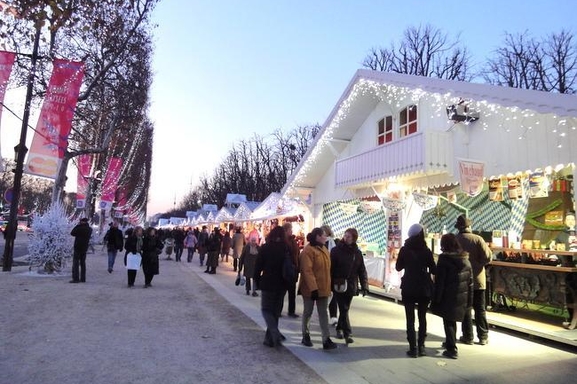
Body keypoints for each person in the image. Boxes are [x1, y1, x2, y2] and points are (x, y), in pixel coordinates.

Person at [396, 223, 436, 357]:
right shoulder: (426, 250)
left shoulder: (404, 249)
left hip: (408, 286)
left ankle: (412, 348)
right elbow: (434, 269)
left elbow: (398, 267)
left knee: (410, 318)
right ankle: (422, 346)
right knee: (422, 317)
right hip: (424, 287)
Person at [431, 233, 473, 360]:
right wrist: (469, 300)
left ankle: (452, 348)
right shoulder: (465, 259)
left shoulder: (444, 260)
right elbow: (470, 282)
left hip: (448, 294)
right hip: (462, 295)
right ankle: (450, 341)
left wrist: (436, 298)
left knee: (448, 321)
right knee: (452, 320)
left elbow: (440, 281)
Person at [455, 214, 492, 345]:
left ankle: (468, 336)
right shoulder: (478, 239)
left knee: (466, 309)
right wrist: (477, 264)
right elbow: (488, 257)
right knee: (480, 309)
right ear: (469, 226)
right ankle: (483, 336)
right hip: (478, 280)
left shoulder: (455, 240)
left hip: (462, 281)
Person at [299, 227, 337, 350]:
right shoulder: (308, 251)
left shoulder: (324, 249)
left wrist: (329, 285)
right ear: (317, 236)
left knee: (323, 314)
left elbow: (327, 270)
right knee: (308, 312)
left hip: (323, 287)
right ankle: (306, 335)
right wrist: (313, 288)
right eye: (324, 235)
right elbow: (307, 271)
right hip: (310, 289)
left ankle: (326, 339)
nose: (326, 237)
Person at [330, 228, 369, 344]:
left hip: (351, 285)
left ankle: (339, 328)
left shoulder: (357, 253)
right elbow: (331, 268)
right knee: (344, 308)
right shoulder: (336, 250)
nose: (346, 238)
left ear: (354, 239)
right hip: (339, 284)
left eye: (349, 236)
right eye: (345, 235)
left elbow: (362, 270)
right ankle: (348, 333)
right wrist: (329, 283)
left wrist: (365, 285)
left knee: (345, 308)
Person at [254, 226, 290, 347]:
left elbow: (258, 266)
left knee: (266, 310)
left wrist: (257, 281)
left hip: (268, 282)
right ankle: (269, 339)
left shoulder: (265, 248)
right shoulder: (286, 248)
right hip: (282, 284)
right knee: (275, 312)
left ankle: (274, 333)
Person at [321, 224, 339, 326]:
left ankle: (333, 316)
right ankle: (324, 313)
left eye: (323, 232)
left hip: (331, 272)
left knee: (333, 295)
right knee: (324, 294)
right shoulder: (320, 243)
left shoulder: (332, 243)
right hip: (323, 272)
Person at [283, 222, 300, 317]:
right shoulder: (283, 241)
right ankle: (278, 310)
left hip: (293, 268)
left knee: (292, 292)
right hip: (286, 269)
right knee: (282, 292)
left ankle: (291, 311)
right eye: (290, 229)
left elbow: (296, 254)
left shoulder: (293, 241)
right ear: (286, 230)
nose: (292, 231)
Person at [70, 218, 92, 283]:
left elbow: (72, 233)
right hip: (84, 247)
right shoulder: (89, 229)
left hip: (77, 247)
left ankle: (76, 278)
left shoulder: (79, 228)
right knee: (83, 263)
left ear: (81, 222)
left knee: (76, 263)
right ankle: (83, 278)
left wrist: (78, 225)